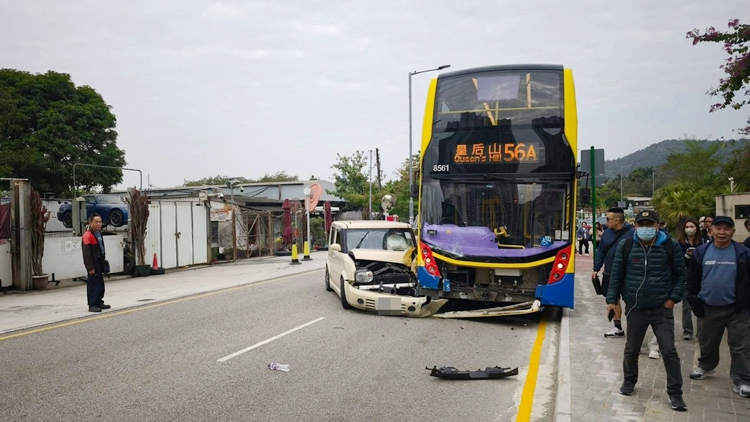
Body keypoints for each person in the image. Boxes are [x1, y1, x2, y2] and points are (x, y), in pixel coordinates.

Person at [606, 209, 687, 411]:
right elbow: (616, 275)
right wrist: (611, 299)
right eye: (641, 225)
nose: (645, 229)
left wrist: (672, 299)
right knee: (632, 348)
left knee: (669, 350)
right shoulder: (626, 245)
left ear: (658, 226)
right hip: (635, 307)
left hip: (662, 308)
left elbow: (681, 275)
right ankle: (629, 381)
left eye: (649, 225)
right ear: (635, 226)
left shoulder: (671, 246)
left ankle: (676, 393)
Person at [686, 216, 750, 398]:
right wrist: (694, 300)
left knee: (741, 346)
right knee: (707, 341)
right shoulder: (701, 252)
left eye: (726, 229)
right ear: (711, 230)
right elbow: (692, 279)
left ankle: (743, 380)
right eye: (718, 228)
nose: (722, 232)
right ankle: (706, 366)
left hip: (736, 309)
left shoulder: (743, 253)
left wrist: (745, 303)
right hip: (708, 307)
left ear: (733, 231)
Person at [592, 207, 635, 337]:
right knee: (612, 300)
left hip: (628, 274)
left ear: (616, 220)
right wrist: (596, 268)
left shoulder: (632, 233)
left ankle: (634, 328)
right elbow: (601, 251)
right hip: (610, 272)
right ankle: (617, 327)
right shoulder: (606, 233)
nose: (606, 222)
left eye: (608, 219)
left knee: (631, 301)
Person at [677, 217, 706, 340]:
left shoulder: (705, 242)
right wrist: (687, 256)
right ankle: (687, 331)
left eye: (692, 227)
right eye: (687, 227)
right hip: (686, 278)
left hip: (702, 277)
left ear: (697, 228)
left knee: (702, 305)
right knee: (686, 306)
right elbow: (677, 261)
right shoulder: (679, 243)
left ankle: (701, 332)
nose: (690, 229)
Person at [82, 213, 110, 312]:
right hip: (93, 263)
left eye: (100, 222)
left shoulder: (99, 233)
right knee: (93, 284)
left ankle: (99, 301)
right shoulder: (87, 235)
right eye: (96, 222)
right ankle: (92, 304)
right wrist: (90, 267)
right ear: (90, 223)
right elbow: (86, 254)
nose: (98, 224)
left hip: (99, 261)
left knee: (100, 284)